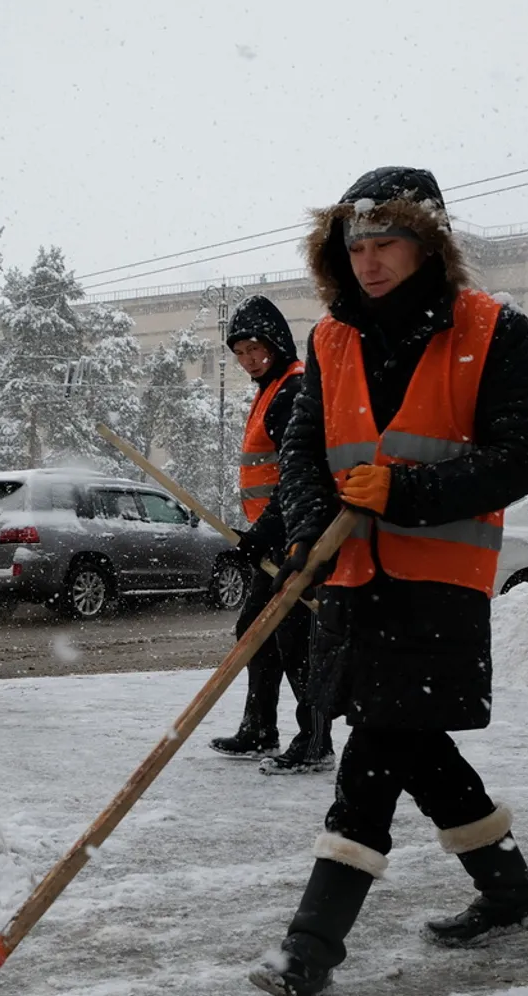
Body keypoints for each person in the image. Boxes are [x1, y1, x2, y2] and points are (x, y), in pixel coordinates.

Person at [250, 166, 528, 996]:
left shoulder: (494, 328)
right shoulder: (331, 339)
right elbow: (304, 453)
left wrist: (410, 493)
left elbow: (519, 458)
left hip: (437, 582)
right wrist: (308, 528)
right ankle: (510, 891)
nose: (370, 261)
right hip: (350, 578)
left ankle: (308, 947)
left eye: (387, 243)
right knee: (412, 742)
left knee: (377, 750)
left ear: (430, 245)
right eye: (356, 245)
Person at [207, 294, 333, 775]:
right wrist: (260, 533)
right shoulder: (270, 390)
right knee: (253, 633)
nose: (247, 361)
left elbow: (298, 476)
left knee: (294, 638)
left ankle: (315, 738)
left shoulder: (292, 391)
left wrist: (266, 531)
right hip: (276, 538)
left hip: (297, 538)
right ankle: (259, 727)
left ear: (276, 342)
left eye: (254, 349)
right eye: (239, 354)